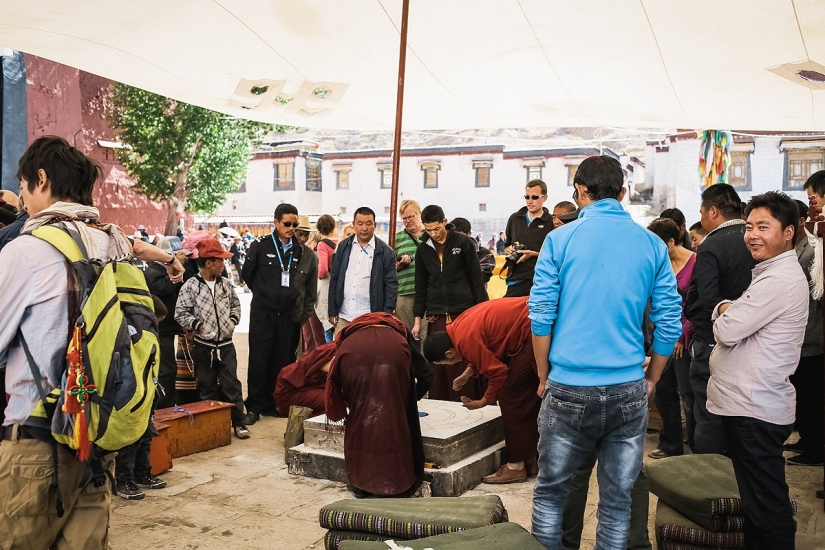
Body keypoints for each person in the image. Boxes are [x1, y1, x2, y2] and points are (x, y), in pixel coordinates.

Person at [0, 136, 183, 549]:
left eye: (24, 186)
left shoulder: (26, 250)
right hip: (99, 442)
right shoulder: (114, 245)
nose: (23, 199)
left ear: (41, 179)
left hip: (37, 444)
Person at [528, 155, 682, 548]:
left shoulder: (559, 239)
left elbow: (542, 316)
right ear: (623, 193)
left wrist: (545, 374)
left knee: (550, 494)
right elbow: (669, 322)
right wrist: (653, 378)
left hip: (567, 387)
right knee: (617, 503)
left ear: (580, 192)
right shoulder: (651, 244)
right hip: (628, 388)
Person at [707, 191, 808, 549]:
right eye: (749, 226)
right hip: (751, 406)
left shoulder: (779, 279)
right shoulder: (769, 273)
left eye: (763, 226)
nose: (752, 234)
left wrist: (722, 310)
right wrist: (728, 307)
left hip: (755, 409)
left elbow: (728, 330)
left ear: (789, 232)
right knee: (758, 503)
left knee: (767, 508)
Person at [424, 297, 541, 484]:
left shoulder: (464, 339)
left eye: (445, 363)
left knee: (510, 396)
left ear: (449, 353)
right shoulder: (458, 328)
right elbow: (486, 347)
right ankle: (531, 460)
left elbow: (498, 373)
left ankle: (516, 467)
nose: (449, 365)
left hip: (532, 327)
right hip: (530, 318)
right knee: (523, 396)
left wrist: (484, 401)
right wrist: (468, 373)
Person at [325, 312, 432, 498]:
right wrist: (404, 401)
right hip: (394, 352)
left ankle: (360, 484)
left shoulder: (348, 334)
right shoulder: (399, 330)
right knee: (396, 424)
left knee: (360, 419)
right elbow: (425, 376)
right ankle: (400, 484)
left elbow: (337, 384)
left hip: (351, 355)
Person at [685, 183, 755, 455]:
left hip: (714, 340)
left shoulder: (712, 243)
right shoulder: (757, 240)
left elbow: (707, 298)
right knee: (742, 414)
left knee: (708, 411)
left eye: (702, 212)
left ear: (713, 211)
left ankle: (709, 478)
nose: (702, 219)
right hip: (752, 340)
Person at [242, 204, 318, 424]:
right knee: (259, 358)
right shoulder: (261, 246)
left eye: (294, 224)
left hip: (286, 314)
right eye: (287, 224)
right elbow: (248, 274)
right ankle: (254, 405)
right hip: (262, 312)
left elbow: (309, 286)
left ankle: (273, 403)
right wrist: (265, 293)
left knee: (281, 360)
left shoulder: (300, 251)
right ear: (275, 222)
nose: (291, 228)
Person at [175, 237, 250, 440]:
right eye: (221, 260)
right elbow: (180, 312)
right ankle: (210, 427)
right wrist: (197, 325)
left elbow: (236, 305)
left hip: (226, 345)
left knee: (232, 385)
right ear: (209, 263)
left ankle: (239, 422)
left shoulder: (226, 284)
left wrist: (232, 321)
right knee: (206, 387)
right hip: (203, 347)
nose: (223, 264)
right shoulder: (190, 286)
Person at [413, 205, 488, 401]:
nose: (433, 233)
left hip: (464, 311)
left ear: (445, 222)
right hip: (436, 312)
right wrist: (416, 319)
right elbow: (420, 286)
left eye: (437, 228)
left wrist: (482, 310)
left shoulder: (463, 243)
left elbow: (476, 279)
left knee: (464, 355)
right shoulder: (422, 249)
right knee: (439, 359)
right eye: (428, 230)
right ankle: (441, 401)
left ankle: (471, 399)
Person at [647, 219, 697, 457]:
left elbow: (698, 305)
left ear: (671, 241)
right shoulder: (660, 264)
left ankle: (698, 446)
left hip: (687, 339)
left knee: (689, 395)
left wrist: (681, 336)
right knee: (664, 389)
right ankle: (671, 444)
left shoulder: (696, 262)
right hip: (665, 337)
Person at [114, 297, 169, 501]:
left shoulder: (149, 334)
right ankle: (123, 479)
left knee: (146, 433)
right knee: (130, 437)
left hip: (147, 388)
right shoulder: (126, 331)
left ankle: (142, 472)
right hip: (129, 391)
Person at [787, 196, 825, 467]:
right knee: (803, 395)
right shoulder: (796, 248)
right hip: (800, 337)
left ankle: (815, 450)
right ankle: (807, 441)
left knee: (812, 397)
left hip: (812, 334)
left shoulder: (813, 251)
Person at [328, 206, 397, 335]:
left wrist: (386, 317)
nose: (364, 228)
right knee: (339, 352)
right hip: (344, 315)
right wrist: (332, 310)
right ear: (354, 225)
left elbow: (391, 286)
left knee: (367, 353)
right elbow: (335, 279)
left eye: (368, 223)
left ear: (375, 225)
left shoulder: (385, 252)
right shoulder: (343, 247)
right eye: (360, 224)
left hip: (370, 317)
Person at [146, 236, 192, 409]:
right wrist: (175, 268)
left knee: (168, 369)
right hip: (159, 329)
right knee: (166, 370)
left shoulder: (164, 271)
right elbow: (164, 289)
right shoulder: (152, 272)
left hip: (167, 328)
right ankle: (163, 407)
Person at [503, 179, 554, 297]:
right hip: (515, 279)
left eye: (534, 197)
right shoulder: (514, 218)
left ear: (544, 198)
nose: (530, 201)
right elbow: (506, 246)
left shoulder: (551, 222)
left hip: (540, 280)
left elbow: (555, 253)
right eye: (527, 197)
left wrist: (534, 254)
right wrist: (508, 250)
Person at [274, 342, 337, 417]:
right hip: (291, 392)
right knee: (337, 401)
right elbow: (338, 370)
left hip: (308, 388)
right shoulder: (339, 350)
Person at [394, 199, 425, 338]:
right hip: (404, 294)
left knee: (426, 335)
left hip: (427, 294)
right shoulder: (396, 238)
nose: (407, 221)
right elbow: (389, 268)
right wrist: (400, 265)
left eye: (411, 216)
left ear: (419, 214)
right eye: (404, 218)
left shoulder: (430, 235)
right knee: (405, 335)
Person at [294, 215, 324, 353]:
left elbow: (312, 288)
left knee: (309, 340)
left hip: (303, 309)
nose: (303, 238)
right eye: (301, 234)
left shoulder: (311, 256)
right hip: (283, 312)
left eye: (306, 235)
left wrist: (304, 312)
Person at [314, 214, 338, 343]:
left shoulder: (322, 245)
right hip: (340, 285)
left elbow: (322, 269)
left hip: (327, 286)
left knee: (328, 325)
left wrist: (318, 275)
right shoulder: (341, 242)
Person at [451, 217, 496, 286]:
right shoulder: (445, 253)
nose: (456, 239)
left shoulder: (484, 254)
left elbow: (479, 278)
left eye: (459, 235)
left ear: (469, 234)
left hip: (475, 295)